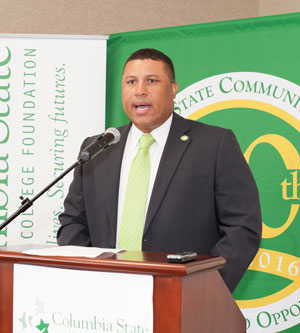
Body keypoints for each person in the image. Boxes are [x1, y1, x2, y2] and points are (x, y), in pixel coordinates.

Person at [57, 48, 262, 292]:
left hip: (184, 297)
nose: (140, 90)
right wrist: (87, 278)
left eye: (151, 81)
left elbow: (242, 227)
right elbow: (74, 222)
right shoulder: (99, 147)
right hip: (104, 295)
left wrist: (206, 288)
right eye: (131, 82)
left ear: (173, 89)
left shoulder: (214, 144)